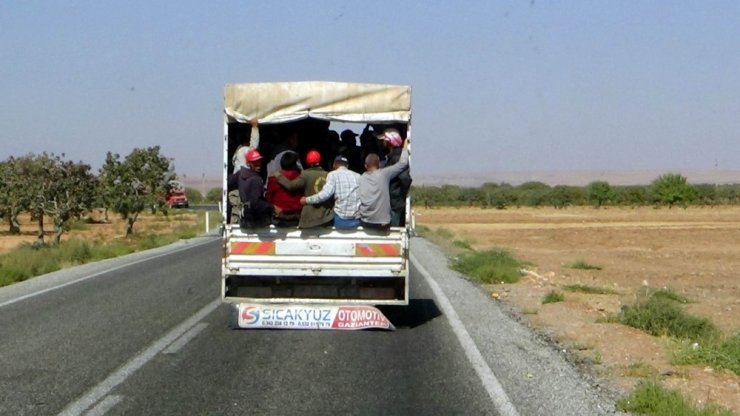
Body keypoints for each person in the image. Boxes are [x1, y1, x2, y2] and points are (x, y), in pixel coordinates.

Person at [274, 150, 333, 228]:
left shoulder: (305, 174)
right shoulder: (328, 175)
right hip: (326, 217)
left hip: (310, 218)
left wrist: (278, 176)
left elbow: (291, 186)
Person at [358, 138, 410, 229]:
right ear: (379, 165)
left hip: (365, 221)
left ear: (365, 166)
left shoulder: (360, 178)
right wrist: (405, 147)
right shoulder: (384, 174)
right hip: (383, 221)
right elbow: (403, 163)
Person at [301, 155, 361, 229]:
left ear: (334, 165)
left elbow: (324, 195)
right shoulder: (358, 176)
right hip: (356, 220)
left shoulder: (332, 174)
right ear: (347, 166)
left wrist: (306, 200)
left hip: (340, 220)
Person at [231, 149, 276, 228]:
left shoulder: (240, 174)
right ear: (248, 163)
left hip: (244, 217)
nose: (258, 164)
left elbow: (228, 182)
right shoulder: (256, 180)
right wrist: (271, 207)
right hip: (255, 218)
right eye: (255, 162)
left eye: (259, 161)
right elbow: (255, 203)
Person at [228, 119, 259, 223]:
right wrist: (255, 128)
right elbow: (253, 146)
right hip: (241, 187)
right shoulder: (244, 151)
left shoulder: (238, 150)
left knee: (236, 213)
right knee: (241, 212)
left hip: (236, 187)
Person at [381, 128, 412, 226]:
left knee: (393, 228)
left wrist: (399, 194)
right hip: (393, 200)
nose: (382, 142)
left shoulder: (396, 158)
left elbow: (405, 179)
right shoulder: (393, 156)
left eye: (384, 140)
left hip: (394, 202)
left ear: (389, 142)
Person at [265, 152, 303, 226]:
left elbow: (268, 198)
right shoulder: (301, 177)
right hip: (297, 217)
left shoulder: (273, 178)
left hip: (279, 217)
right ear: (295, 165)